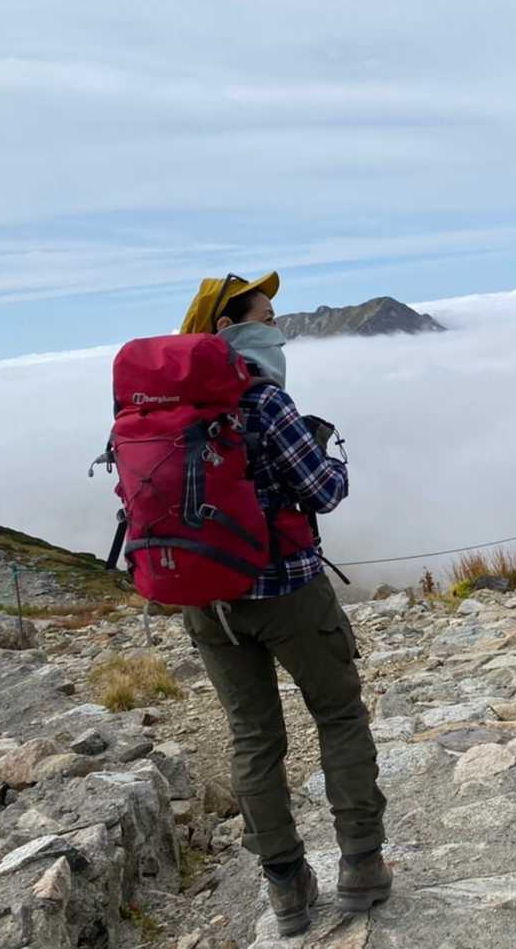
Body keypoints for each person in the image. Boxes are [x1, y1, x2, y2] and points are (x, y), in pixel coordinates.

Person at [176, 272, 390, 936]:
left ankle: (285, 887)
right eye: (266, 318)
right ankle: (361, 864)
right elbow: (322, 490)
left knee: (253, 736)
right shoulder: (265, 399)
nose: (276, 328)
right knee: (338, 714)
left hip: (207, 600)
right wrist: (336, 461)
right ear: (227, 327)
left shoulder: (165, 406)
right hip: (287, 589)